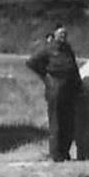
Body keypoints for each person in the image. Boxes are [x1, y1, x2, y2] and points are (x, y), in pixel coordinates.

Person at [26, 24, 82, 161]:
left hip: (69, 90)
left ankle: (65, 151)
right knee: (56, 122)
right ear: (55, 35)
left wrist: (78, 85)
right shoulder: (48, 50)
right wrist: (45, 77)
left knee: (68, 123)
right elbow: (31, 62)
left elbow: (74, 69)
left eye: (65, 34)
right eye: (60, 34)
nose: (63, 37)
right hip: (55, 89)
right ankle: (56, 154)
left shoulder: (68, 50)